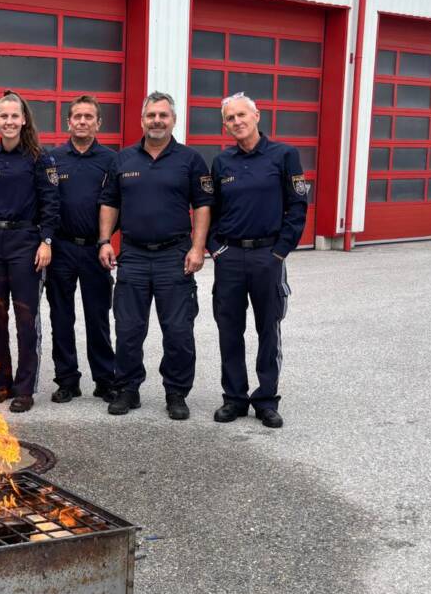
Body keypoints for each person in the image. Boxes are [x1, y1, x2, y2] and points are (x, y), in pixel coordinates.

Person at [97, 91, 213, 421]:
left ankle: (176, 392)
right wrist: (105, 240)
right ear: (142, 120)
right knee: (129, 328)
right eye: (151, 115)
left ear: (173, 120)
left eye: (163, 115)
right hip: (132, 255)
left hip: (174, 255)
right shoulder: (123, 160)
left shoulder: (190, 160)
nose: (157, 121)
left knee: (178, 330)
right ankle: (128, 389)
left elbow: (203, 205)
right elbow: (110, 202)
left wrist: (197, 246)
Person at [208, 93, 307, 428]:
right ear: (225, 125)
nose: (236, 122)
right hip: (231, 257)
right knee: (229, 330)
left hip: (268, 256)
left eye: (241, 115)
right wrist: (215, 249)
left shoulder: (285, 155)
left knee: (269, 328)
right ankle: (234, 398)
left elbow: (297, 207)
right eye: (230, 118)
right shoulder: (222, 163)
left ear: (256, 116)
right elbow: (211, 211)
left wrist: (280, 251)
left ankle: (266, 399)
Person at [0, 91, 60, 413]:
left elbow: (51, 204)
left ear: (23, 119)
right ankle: (1, 384)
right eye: (3, 116)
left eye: (14, 116)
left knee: (25, 319)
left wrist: (46, 241)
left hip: (25, 242)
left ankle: (24, 388)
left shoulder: (39, 157)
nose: (9, 121)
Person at [47, 95, 120, 405]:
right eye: (77, 116)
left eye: (89, 117)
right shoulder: (52, 158)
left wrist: (106, 239)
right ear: (68, 122)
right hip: (61, 249)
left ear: (98, 123)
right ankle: (67, 380)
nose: (82, 121)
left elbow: (118, 204)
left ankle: (105, 380)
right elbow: (45, 203)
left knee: (98, 317)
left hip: (94, 249)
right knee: (61, 317)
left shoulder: (111, 160)